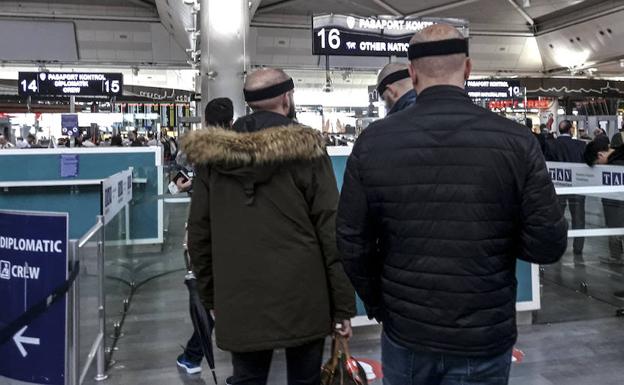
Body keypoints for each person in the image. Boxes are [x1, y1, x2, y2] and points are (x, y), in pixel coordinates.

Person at [336, 24, 567, 385]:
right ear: (469, 68)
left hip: (407, 332)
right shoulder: (516, 142)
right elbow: (549, 242)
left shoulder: (372, 144)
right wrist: (498, 241)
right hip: (484, 333)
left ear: (412, 74)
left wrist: (380, 305)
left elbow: (352, 242)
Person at [183, 68, 356, 385]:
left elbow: (199, 234)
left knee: (248, 378)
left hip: (239, 294)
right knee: (305, 379)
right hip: (305, 295)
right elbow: (331, 229)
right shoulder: (308, 149)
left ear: (249, 104)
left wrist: (212, 298)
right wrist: (343, 307)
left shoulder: (213, 156)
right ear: (287, 98)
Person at [175, 97, 235, 375]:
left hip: (201, 230)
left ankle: (192, 356)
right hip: (231, 232)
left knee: (202, 293)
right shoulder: (242, 149)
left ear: (205, 121)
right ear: (232, 120)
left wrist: (190, 185)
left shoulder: (195, 150)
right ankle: (194, 355)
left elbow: (177, 182)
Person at [546, 120, 587, 256]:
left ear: (559, 130)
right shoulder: (581, 145)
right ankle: (578, 247)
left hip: (558, 188)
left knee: (557, 217)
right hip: (578, 186)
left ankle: (556, 245)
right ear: (571, 130)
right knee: (579, 217)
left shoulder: (551, 145)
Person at [584, 136, 624, 266]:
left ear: (600, 154)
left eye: (597, 163)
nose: (599, 166)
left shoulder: (615, 165)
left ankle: (616, 257)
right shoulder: (619, 153)